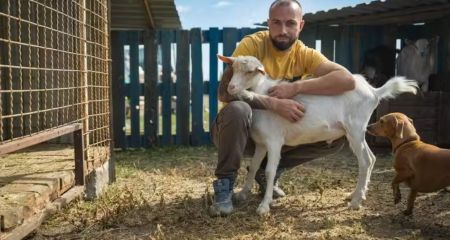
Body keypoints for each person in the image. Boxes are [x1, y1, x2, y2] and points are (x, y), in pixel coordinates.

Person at [209, 0, 355, 216]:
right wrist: (273, 103)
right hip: (239, 133)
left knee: (336, 135)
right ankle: (224, 185)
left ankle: (267, 172)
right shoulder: (251, 46)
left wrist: (296, 87)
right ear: (268, 23)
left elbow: (347, 80)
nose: (283, 30)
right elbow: (224, 93)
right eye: (276, 23)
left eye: (290, 23)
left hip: (277, 135)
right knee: (239, 109)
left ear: (301, 25)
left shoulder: (305, 55)